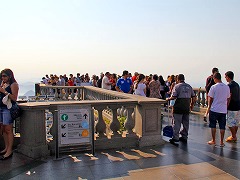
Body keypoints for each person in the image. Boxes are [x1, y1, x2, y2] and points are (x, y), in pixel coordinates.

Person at [166, 74, 196, 145]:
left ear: (177, 79)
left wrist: (168, 99)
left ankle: (175, 138)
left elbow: (174, 96)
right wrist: (191, 105)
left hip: (178, 107)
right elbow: (194, 97)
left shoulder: (177, 86)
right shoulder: (189, 86)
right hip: (186, 106)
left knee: (177, 122)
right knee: (186, 123)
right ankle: (184, 136)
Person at [204, 72, 230, 147]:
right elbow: (228, 98)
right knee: (222, 126)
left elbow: (210, 98)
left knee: (213, 125)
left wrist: (209, 107)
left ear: (214, 78)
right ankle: (221, 142)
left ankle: (213, 140)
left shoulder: (213, 87)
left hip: (214, 109)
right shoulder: (226, 87)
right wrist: (226, 106)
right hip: (223, 109)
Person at [0, 68, 19, 160]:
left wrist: (4, 91)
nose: (3, 78)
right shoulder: (3, 84)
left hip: (8, 109)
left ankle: (9, 150)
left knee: (8, 129)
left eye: (4, 76)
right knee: (3, 129)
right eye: (2, 76)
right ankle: (6, 147)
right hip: (1, 108)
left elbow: (14, 98)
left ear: (10, 76)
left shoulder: (13, 84)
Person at [224, 71, 240, 142]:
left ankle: (234, 136)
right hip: (238, 106)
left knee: (230, 123)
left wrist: (226, 106)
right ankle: (233, 136)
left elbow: (229, 97)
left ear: (228, 77)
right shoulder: (237, 84)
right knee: (236, 122)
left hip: (232, 106)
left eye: (225, 77)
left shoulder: (229, 86)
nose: (225, 78)